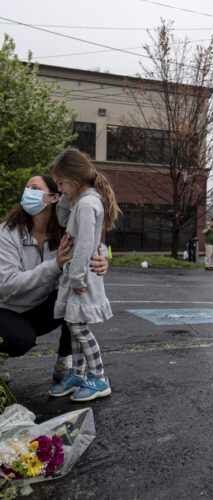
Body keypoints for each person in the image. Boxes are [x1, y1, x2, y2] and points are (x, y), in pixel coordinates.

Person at [0, 174, 108, 383]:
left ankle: (65, 361)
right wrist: (55, 265)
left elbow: (94, 244)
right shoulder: (7, 232)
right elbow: (6, 285)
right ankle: (1, 354)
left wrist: (104, 260)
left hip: (39, 308)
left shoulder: (64, 230)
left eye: (35, 187)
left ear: (55, 198)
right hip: (6, 309)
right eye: (26, 187)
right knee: (21, 340)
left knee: (77, 294)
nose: (27, 192)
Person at [48, 148, 119, 402]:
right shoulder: (81, 201)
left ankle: (99, 378)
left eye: (62, 182)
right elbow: (64, 217)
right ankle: (78, 373)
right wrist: (68, 196)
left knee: (79, 327)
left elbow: (86, 245)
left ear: (75, 179)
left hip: (82, 278)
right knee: (73, 323)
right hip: (78, 277)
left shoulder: (88, 204)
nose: (59, 188)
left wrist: (77, 278)